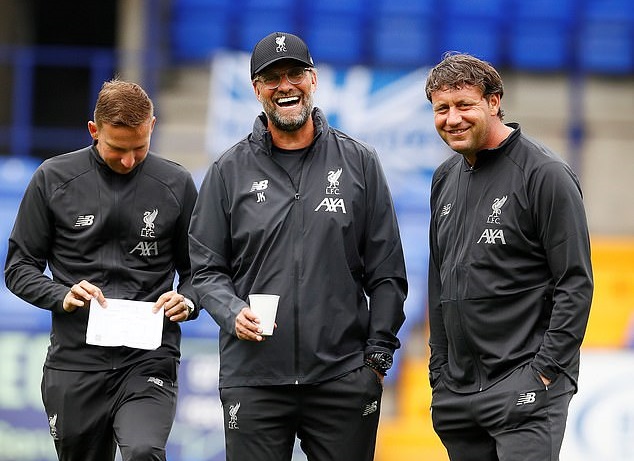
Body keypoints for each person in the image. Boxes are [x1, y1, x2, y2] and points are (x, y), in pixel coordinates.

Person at [188, 31, 408, 461]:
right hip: (254, 379)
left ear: (314, 79)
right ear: (257, 89)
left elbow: (387, 272)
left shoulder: (359, 161)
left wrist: (376, 359)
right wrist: (231, 312)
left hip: (342, 378)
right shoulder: (227, 170)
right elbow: (206, 269)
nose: (284, 86)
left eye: (294, 74)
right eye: (272, 78)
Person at [4, 79, 200, 461]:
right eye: (117, 149)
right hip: (75, 363)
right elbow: (19, 267)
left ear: (152, 126)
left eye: (139, 148)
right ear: (94, 130)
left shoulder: (176, 183)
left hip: (148, 359)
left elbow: (200, 270)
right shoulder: (53, 178)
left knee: (144, 451)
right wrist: (62, 295)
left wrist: (188, 300)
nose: (128, 160)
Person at [424, 52, 594, 461]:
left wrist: (544, 371)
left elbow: (575, 283)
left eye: (464, 105)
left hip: (525, 387)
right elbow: (439, 283)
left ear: (494, 102)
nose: (452, 119)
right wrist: (440, 372)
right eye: (442, 109)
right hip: (458, 394)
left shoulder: (545, 173)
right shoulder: (445, 178)